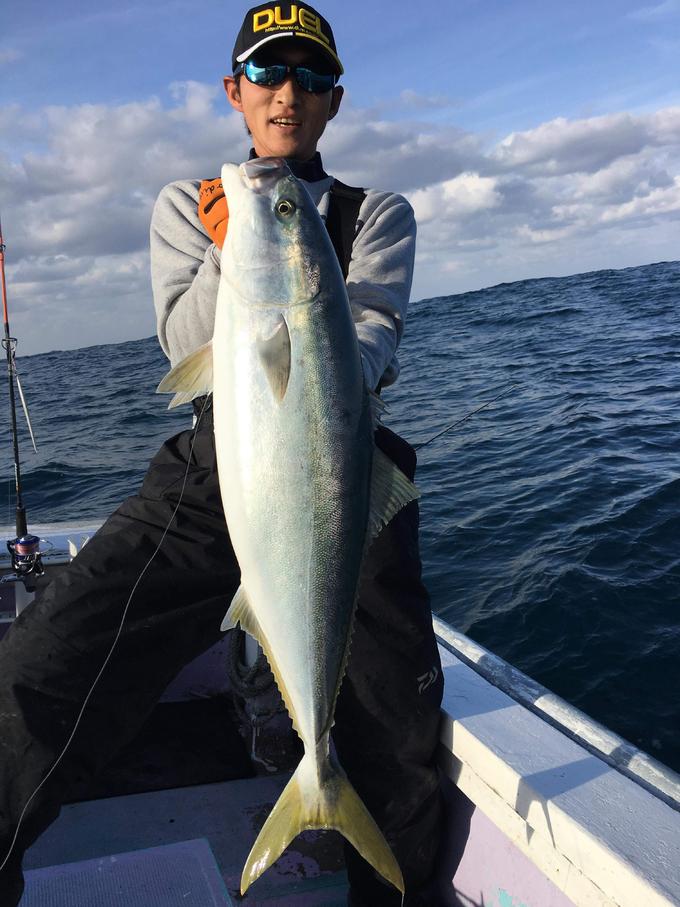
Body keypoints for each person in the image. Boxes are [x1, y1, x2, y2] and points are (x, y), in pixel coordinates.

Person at [0, 3, 444, 905]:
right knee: (43, 663)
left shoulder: (376, 214)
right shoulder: (188, 205)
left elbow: (370, 343)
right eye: (270, 73)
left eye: (312, 78)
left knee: (396, 718)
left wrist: (296, 291)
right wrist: (233, 246)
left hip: (337, 473)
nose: (289, 93)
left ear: (334, 101)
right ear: (234, 92)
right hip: (218, 465)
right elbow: (184, 344)